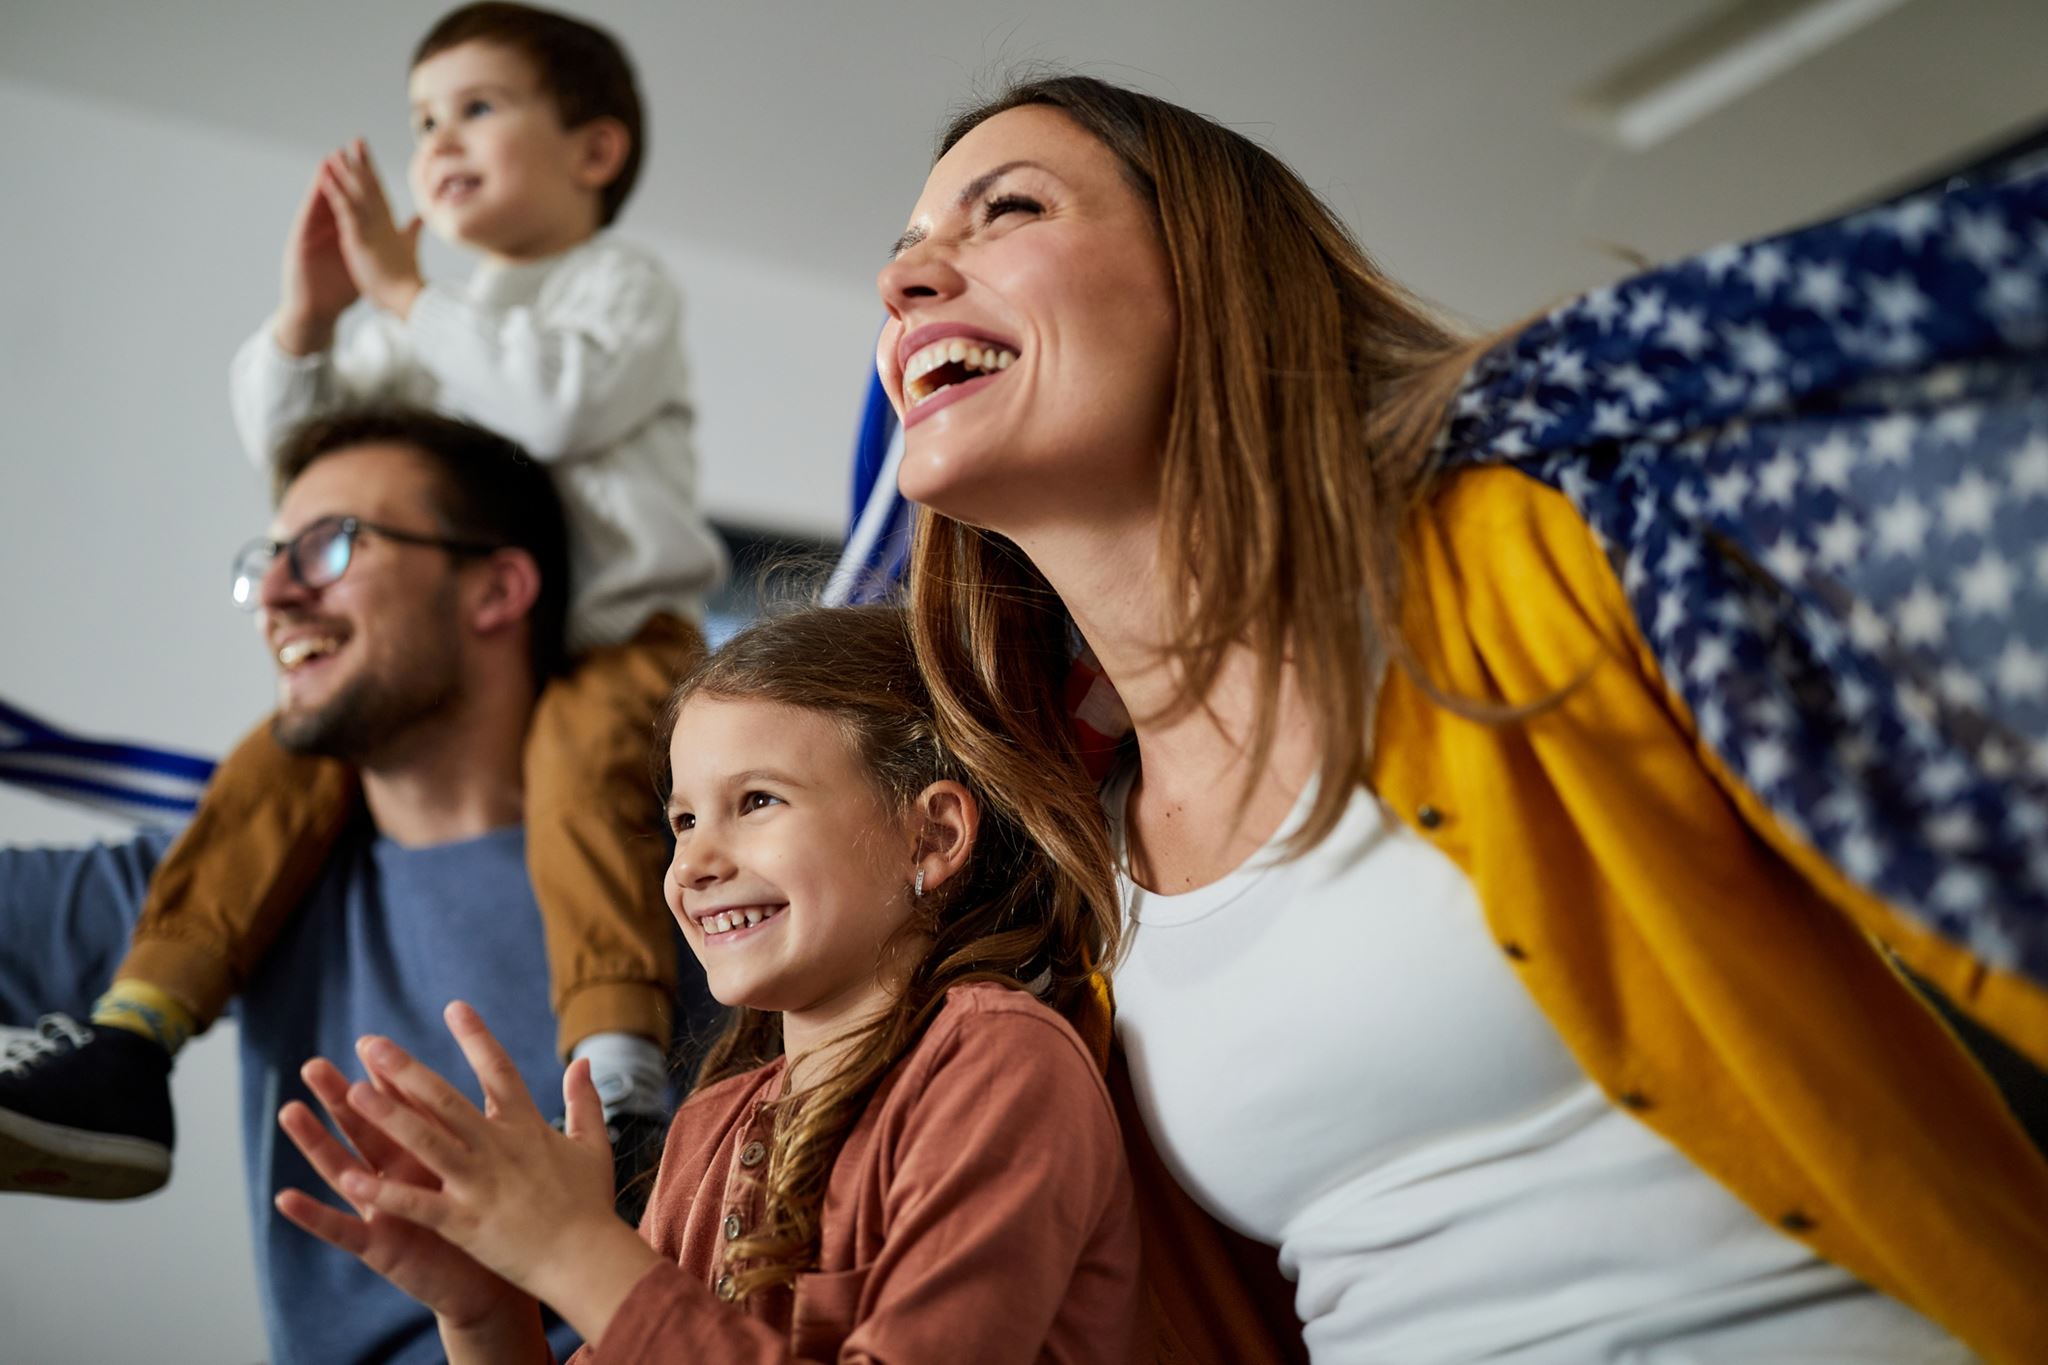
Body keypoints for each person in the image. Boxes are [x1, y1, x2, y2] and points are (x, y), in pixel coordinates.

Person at [875, 76, 2048, 1362]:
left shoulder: (1540, 553)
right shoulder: (1067, 881)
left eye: (1005, 212)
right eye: (905, 253)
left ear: (1210, 270)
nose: (912, 278)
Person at [0, 1, 725, 1201]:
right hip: (507, 651)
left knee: (591, 775)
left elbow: (552, 407)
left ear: (594, 152)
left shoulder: (613, 283)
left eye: (477, 108)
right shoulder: (414, 333)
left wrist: (402, 293)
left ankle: (622, 1093)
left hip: (615, 644)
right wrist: (311, 318)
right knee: (269, 766)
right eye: (422, 118)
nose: (436, 141)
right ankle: (133, 1039)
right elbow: (299, 452)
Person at [269, 602, 1141, 1362]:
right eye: (682, 819)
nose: (694, 863)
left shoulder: (1000, 1064)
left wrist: (576, 1250)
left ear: (934, 834)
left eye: (757, 801)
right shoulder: (707, 1126)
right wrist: (490, 1309)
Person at [0, 409, 606, 1362]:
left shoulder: (698, 880)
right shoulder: (228, 892)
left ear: (496, 588)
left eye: (331, 546)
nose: (273, 594)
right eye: (269, 557)